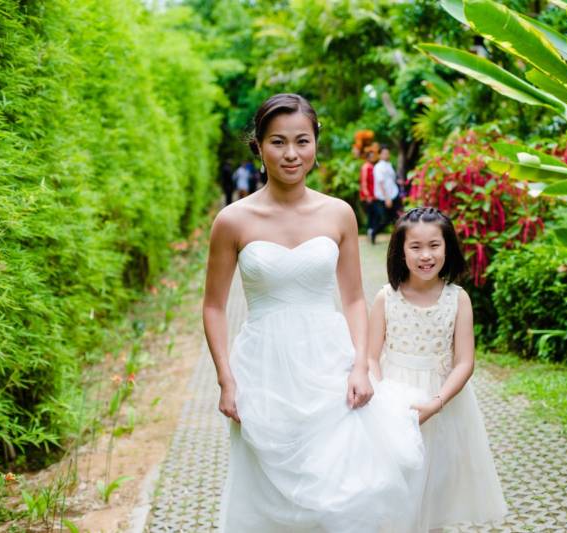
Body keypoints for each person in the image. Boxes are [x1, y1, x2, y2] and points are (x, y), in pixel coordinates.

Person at [203, 93, 425, 533]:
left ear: (316, 144)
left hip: (329, 362)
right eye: (277, 142)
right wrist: (226, 378)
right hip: (262, 370)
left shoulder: (339, 213)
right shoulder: (232, 221)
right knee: (270, 493)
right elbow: (212, 305)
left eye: (301, 141)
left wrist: (361, 365)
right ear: (259, 146)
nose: (290, 154)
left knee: (344, 490)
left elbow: (355, 300)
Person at [367, 207, 508, 532]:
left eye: (434, 245)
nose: (425, 255)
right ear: (401, 251)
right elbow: (371, 357)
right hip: (395, 404)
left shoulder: (457, 299)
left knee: (436, 486)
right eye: (415, 247)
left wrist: (437, 401)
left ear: (448, 248)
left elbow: (465, 362)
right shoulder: (386, 298)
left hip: (443, 404)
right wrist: (383, 397)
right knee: (395, 484)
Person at [370, 146, 400, 244]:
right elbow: (381, 183)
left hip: (394, 194)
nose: (386, 155)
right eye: (384, 153)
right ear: (379, 154)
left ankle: (398, 238)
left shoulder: (389, 165)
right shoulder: (378, 167)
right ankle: (374, 233)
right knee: (385, 219)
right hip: (384, 197)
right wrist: (387, 198)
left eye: (387, 153)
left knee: (396, 218)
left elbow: (391, 180)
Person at [359, 150, 377, 239]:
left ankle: (371, 232)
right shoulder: (366, 167)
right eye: (372, 156)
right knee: (371, 215)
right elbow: (364, 183)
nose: (373, 157)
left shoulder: (372, 166)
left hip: (374, 196)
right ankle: (370, 232)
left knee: (373, 215)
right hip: (369, 197)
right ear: (368, 157)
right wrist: (367, 196)